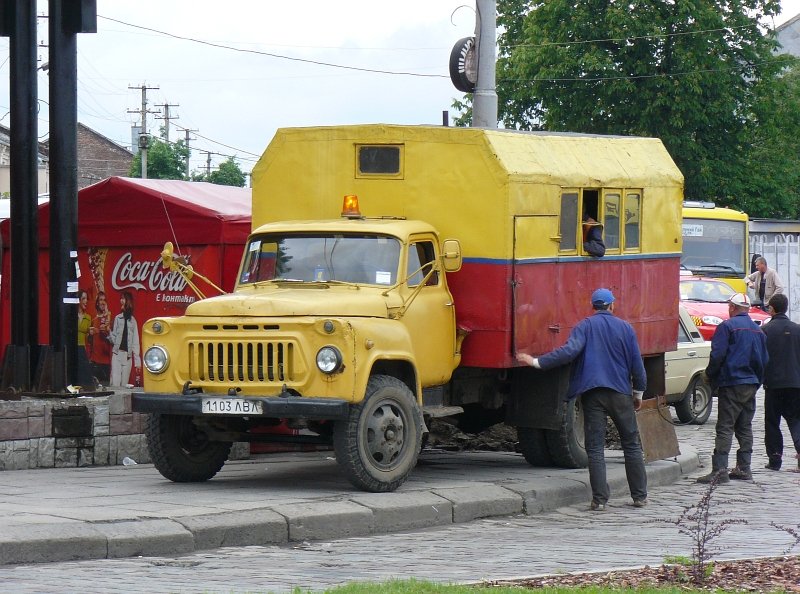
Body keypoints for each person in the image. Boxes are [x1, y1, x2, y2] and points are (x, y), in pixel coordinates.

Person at [516, 288, 647, 510]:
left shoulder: (584, 326)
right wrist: (638, 393)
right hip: (620, 392)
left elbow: (569, 352)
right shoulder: (626, 328)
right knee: (631, 444)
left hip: (593, 394)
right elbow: (637, 365)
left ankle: (599, 500)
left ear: (593, 306)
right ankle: (639, 496)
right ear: (612, 305)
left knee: (595, 448)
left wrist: (538, 362)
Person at [698, 292, 768, 483]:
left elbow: (718, 355)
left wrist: (710, 376)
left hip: (731, 382)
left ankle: (720, 471)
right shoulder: (757, 330)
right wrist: (756, 382)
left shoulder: (727, 327)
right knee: (745, 426)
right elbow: (763, 360)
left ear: (732, 307)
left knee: (725, 427)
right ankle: (744, 468)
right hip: (750, 384)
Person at [760, 293, 800, 472]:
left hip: (774, 384)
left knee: (772, 422)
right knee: (796, 420)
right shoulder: (797, 329)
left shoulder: (766, 330)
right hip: (795, 383)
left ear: (771, 309)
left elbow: (761, 358)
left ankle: (775, 458)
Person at [108, 291, 141, 387]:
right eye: (121, 298)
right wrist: (108, 332)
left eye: (123, 298)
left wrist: (137, 363)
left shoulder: (133, 321)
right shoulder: (117, 318)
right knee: (115, 384)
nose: (121, 301)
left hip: (127, 357)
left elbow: (135, 342)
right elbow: (113, 341)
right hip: (117, 355)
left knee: (124, 386)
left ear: (128, 301)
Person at [87, 290, 112, 385]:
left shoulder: (109, 316)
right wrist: (90, 334)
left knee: (105, 386)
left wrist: (107, 315)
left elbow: (108, 332)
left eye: (104, 300)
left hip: (105, 360)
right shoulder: (93, 319)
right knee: (95, 387)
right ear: (97, 302)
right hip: (95, 360)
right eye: (101, 300)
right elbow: (90, 341)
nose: (103, 302)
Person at [75, 289, 95, 387]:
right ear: (78, 300)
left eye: (86, 299)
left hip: (82, 348)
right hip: (72, 348)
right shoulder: (72, 315)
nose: (86, 301)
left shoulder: (88, 317)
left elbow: (88, 339)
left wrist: (90, 334)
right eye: (83, 298)